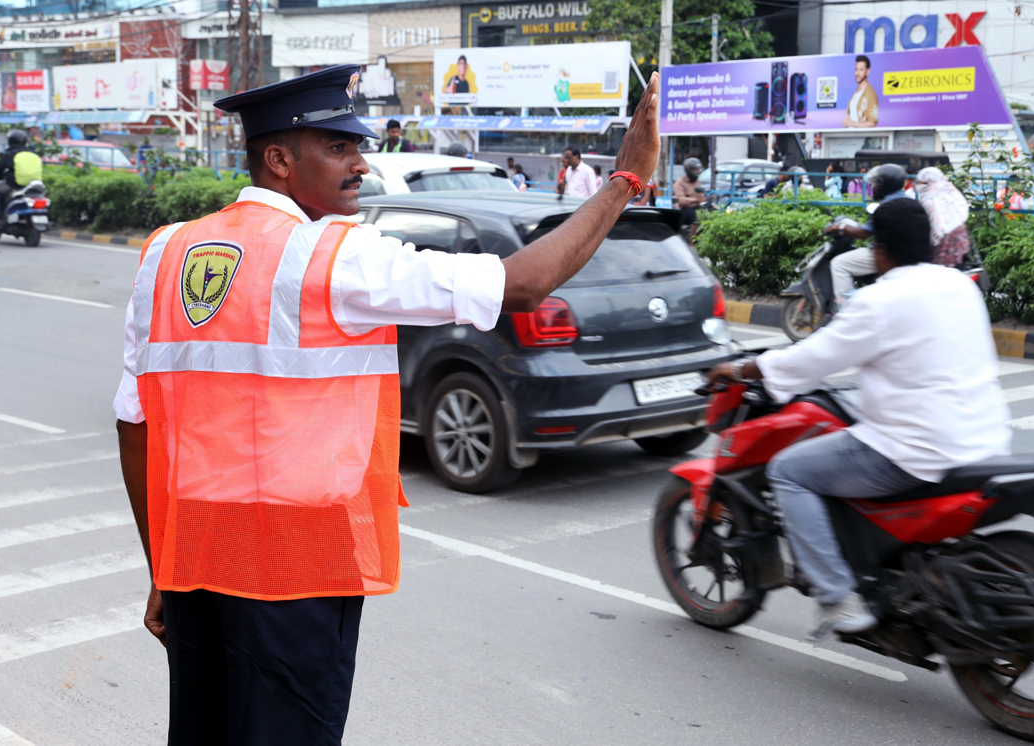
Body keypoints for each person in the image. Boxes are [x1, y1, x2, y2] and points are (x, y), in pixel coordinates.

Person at [114, 64, 663, 745]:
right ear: (279, 159)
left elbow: (135, 425)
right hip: (297, 569)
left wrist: (163, 568)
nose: (360, 162)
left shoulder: (166, 254)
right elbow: (524, 282)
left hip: (195, 560)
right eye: (339, 148)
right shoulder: (337, 256)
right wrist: (625, 181)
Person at [706, 198, 1011, 640]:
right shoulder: (960, 284)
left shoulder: (879, 300)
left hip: (915, 452)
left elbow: (812, 358)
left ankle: (836, 597)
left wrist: (740, 370)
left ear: (879, 250)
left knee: (790, 471)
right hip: (985, 440)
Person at [830, 163, 910, 305]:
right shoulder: (908, 200)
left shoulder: (886, 206)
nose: (873, 188)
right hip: (904, 254)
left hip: (885, 256)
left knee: (838, 264)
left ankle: (846, 307)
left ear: (885, 185)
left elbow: (864, 233)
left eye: (876, 184)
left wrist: (842, 226)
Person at [913, 167, 972, 267]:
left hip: (942, 245)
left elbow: (932, 227)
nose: (918, 186)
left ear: (927, 182)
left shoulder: (930, 200)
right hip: (960, 242)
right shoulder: (952, 193)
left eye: (920, 183)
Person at [0, 129, 42, 222]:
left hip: (14, 185)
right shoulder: (32, 154)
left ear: (10, 141)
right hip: (33, 185)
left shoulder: (10, 154)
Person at [842, 55, 878, 128]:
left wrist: (851, 123)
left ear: (867, 71)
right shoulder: (856, 92)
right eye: (856, 69)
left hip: (861, 137)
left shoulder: (869, 93)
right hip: (850, 136)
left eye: (861, 70)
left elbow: (872, 123)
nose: (857, 73)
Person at [673, 157, 706, 235]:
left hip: (698, 207)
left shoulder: (697, 182)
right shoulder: (680, 183)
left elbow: (702, 196)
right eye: (695, 169)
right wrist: (696, 200)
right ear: (689, 169)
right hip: (685, 210)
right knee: (695, 216)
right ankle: (692, 241)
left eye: (698, 169)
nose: (697, 171)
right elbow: (681, 199)